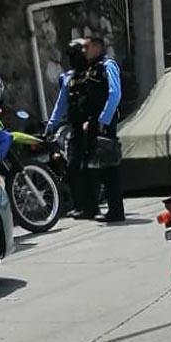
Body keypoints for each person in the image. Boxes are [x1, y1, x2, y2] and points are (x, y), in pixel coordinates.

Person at [48, 36, 124, 223]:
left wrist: (103, 120)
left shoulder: (106, 66)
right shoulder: (72, 76)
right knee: (80, 167)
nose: (81, 54)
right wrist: (52, 124)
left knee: (108, 168)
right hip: (83, 127)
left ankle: (115, 211)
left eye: (84, 49)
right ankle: (87, 207)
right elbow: (62, 103)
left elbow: (115, 94)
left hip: (100, 125)